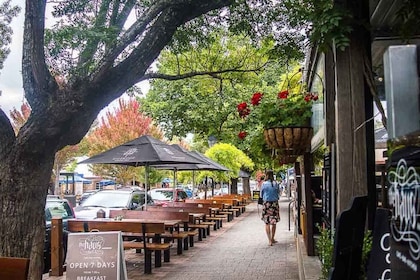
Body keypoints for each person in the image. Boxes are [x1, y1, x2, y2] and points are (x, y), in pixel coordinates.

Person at [260, 170, 280, 246]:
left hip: (267, 204)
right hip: (274, 204)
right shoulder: (276, 184)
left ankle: (269, 241)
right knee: (274, 222)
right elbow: (278, 193)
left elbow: (261, 195)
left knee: (267, 222)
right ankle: (272, 238)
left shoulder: (264, 184)